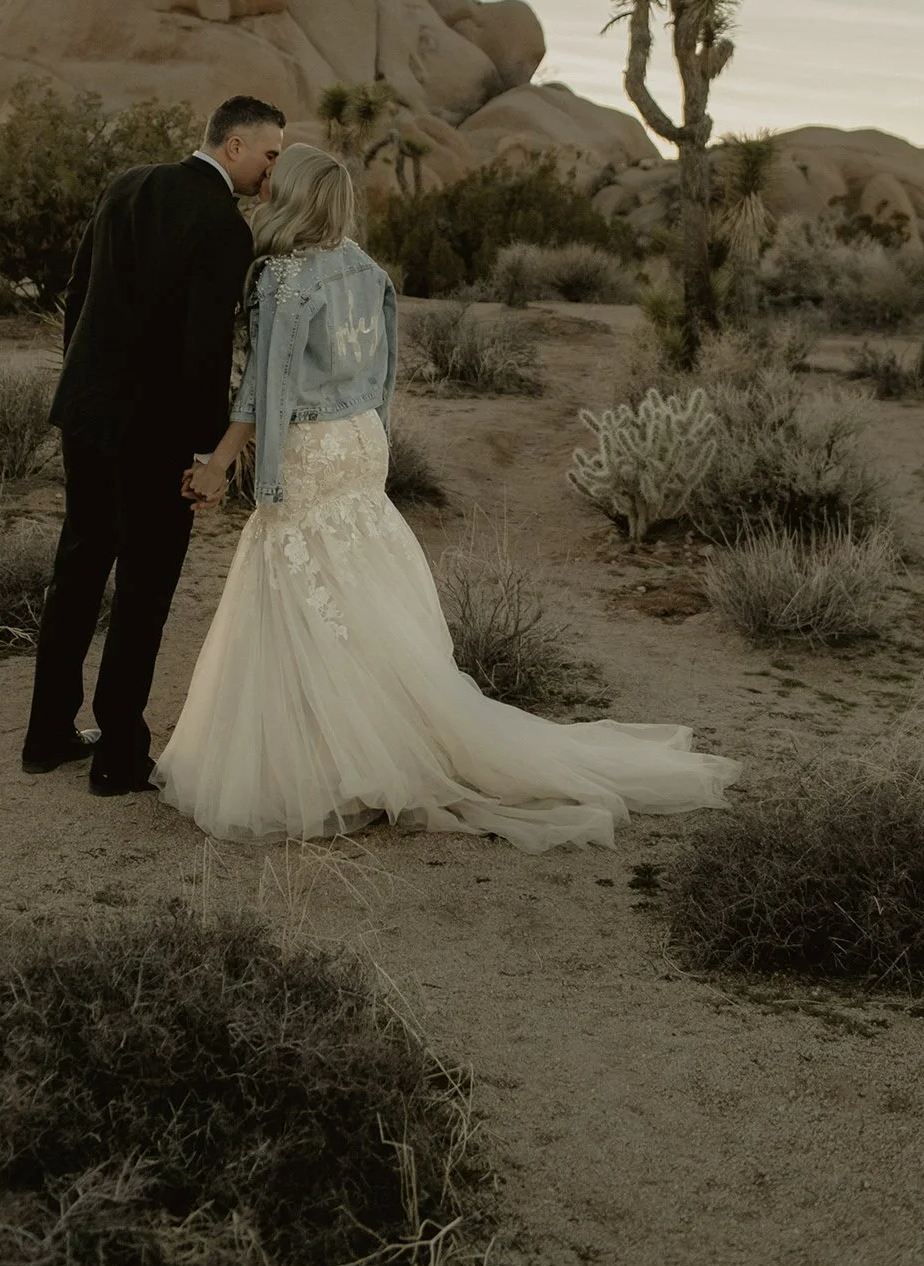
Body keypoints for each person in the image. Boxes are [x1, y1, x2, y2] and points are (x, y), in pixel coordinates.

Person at [155, 143, 739, 851]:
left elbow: (263, 390)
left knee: (297, 585)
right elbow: (385, 368)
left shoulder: (281, 277)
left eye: (278, 179)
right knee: (354, 587)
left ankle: (327, 762)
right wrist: (370, 433)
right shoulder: (366, 269)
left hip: (312, 443)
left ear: (296, 196)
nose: (265, 185)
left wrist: (221, 463)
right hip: (363, 439)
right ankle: (363, 742)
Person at [21, 94, 286, 790]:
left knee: (77, 569)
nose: (271, 171)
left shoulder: (126, 184)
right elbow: (203, 354)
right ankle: (117, 757)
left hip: (88, 412)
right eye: (269, 154)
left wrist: (91, 382)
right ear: (233, 146)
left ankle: (46, 734)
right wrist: (207, 454)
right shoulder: (225, 228)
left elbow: (77, 296)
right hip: (158, 433)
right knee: (143, 589)